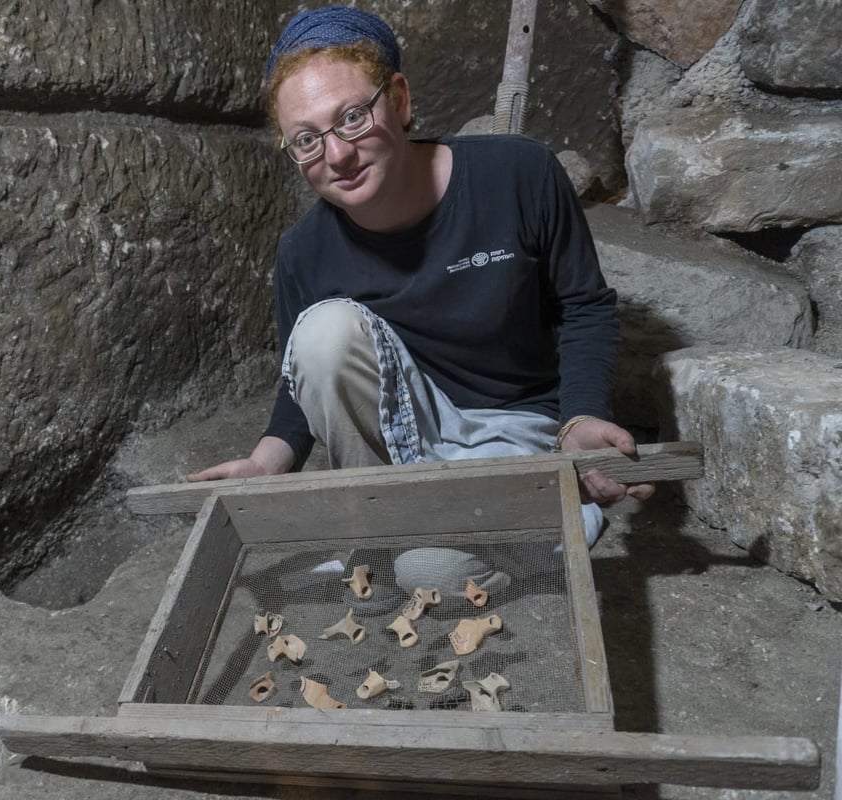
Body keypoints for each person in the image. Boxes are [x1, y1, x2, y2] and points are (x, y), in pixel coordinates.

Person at [189, 6, 653, 544]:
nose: (337, 154)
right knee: (321, 334)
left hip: (518, 428)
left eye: (353, 117)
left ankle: (453, 529)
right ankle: (381, 523)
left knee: (434, 571)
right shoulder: (302, 252)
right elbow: (306, 381)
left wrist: (582, 418)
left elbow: (584, 307)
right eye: (307, 139)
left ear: (401, 99)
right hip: (398, 441)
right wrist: (267, 462)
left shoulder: (519, 174)